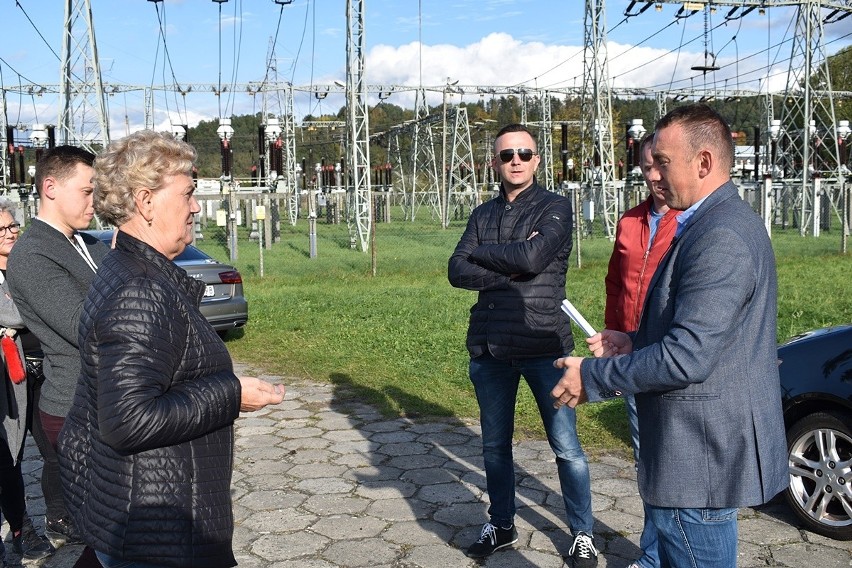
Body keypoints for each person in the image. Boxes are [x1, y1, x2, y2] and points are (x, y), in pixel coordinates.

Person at [551, 104, 788, 567]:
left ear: (703, 162)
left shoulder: (720, 235)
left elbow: (687, 357)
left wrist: (595, 375)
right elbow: (706, 334)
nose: (654, 175)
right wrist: (634, 342)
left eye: (663, 162)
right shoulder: (712, 222)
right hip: (699, 449)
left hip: (696, 455)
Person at [57, 129, 285, 568]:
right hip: (159, 534)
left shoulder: (132, 268)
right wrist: (232, 394)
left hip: (149, 509)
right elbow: (128, 420)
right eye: (188, 193)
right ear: (146, 202)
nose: (197, 206)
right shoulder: (139, 289)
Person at [448, 123, 597, 567]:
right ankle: (502, 523)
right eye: (507, 154)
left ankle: (583, 534)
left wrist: (489, 256)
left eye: (525, 154)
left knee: (566, 447)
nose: (516, 160)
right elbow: (457, 269)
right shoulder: (482, 214)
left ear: (537, 160)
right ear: (495, 161)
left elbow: (534, 259)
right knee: (495, 445)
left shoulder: (555, 207)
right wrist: (509, 268)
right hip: (491, 347)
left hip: (544, 345)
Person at [7, 145, 109, 549]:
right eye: (87, 191)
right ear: (50, 187)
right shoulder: (33, 254)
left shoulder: (89, 243)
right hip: (77, 408)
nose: (95, 201)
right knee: (108, 532)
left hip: (106, 399)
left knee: (115, 532)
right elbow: (86, 325)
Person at [603, 134, 678, 568]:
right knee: (646, 455)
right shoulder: (631, 220)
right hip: (632, 353)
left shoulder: (689, 222)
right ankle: (652, 555)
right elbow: (616, 279)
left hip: (669, 351)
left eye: (659, 165)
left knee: (674, 457)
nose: (653, 176)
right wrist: (614, 331)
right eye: (646, 167)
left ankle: (676, 548)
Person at [0, 199, 54, 565]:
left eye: (12, 226)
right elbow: (16, 313)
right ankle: (19, 530)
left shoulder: (24, 264)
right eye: (1, 230)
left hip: (41, 371)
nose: (10, 233)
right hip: (7, 377)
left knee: (33, 451)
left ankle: (25, 528)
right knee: (6, 457)